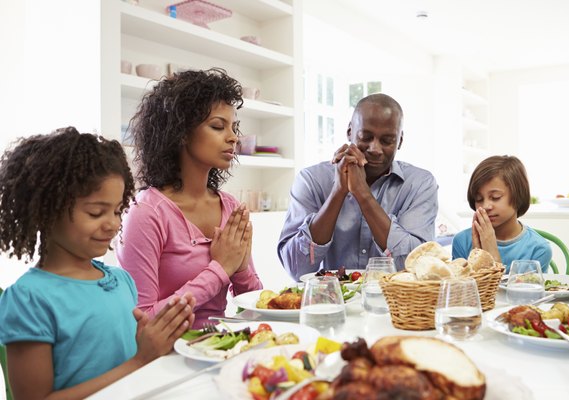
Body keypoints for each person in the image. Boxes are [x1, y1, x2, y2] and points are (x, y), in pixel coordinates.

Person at [0, 127, 194, 398]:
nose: (113, 224)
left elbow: (134, 365)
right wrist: (139, 361)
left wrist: (163, 342)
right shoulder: (29, 299)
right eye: (95, 212)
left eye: (116, 211)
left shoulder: (122, 281)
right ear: (47, 210)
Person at [118, 68, 262, 328]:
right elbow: (143, 322)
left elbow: (256, 309)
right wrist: (219, 270)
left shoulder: (229, 206)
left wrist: (240, 270)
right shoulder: (146, 213)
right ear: (181, 133)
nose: (233, 138)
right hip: (167, 359)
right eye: (218, 126)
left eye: (234, 127)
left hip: (221, 346)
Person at [278, 93, 438, 280]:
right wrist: (338, 192)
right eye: (365, 137)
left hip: (393, 305)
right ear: (349, 132)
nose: (375, 149)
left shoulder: (420, 184)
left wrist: (363, 195)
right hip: (330, 304)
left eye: (387, 141)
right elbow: (296, 268)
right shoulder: (311, 180)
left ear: (400, 141)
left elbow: (416, 266)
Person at [452, 155, 551, 271]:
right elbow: (460, 288)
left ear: (518, 196)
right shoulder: (462, 241)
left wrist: (493, 256)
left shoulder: (538, 249)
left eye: (495, 197)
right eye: (479, 199)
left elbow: (524, 289)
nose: (485, 206)